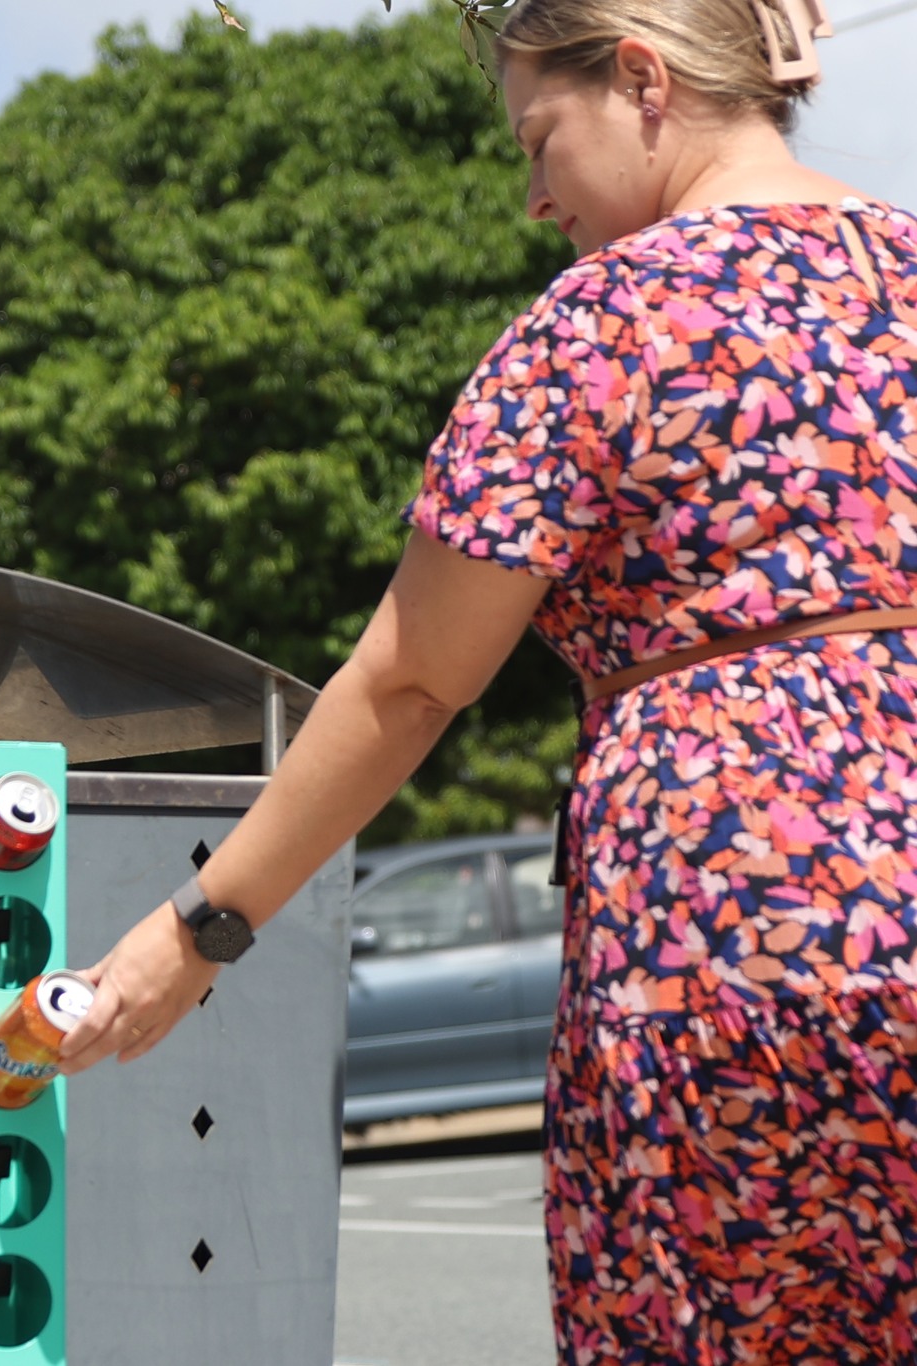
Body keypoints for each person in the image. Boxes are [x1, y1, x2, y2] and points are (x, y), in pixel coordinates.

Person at [57, 0, 917, 1360]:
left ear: (642, 78)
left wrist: (197, 929)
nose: (532, 197)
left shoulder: (603, 323)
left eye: (539, 137)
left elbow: (409, 680)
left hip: (722, 954)